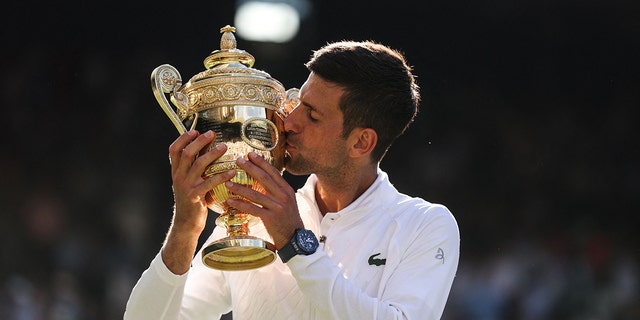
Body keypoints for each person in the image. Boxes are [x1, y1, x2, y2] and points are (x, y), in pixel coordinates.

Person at [125, 40, 460, 319]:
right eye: (298, 103)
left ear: (361, 142)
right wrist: (184, 229)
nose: (289, 121)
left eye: (312, 115)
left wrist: (296, 244)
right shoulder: (253, 216)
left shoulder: (425, 226)